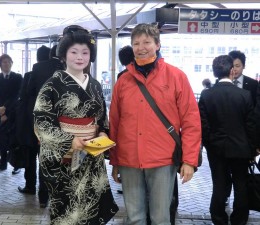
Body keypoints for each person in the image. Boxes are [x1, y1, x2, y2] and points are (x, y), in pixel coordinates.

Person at [109, 23, 201, 225]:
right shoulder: (123, 81)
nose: (141, 47)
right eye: (136, 43)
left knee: (161, 218)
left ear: (157, 45)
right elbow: (114, 122)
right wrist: (115, 161)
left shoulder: (176, 76)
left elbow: (191, 120)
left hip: (162, 159)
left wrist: (189, 160)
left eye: (147, 42)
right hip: (129, 159)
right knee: (134, 218)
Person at [33, 25, 118, 224]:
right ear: (63, 55)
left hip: (90, 156)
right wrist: (70, 141)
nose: (79, 57)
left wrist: (104, 133)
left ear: (91, 55)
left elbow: (101, 118)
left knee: (91, 206)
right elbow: (41, 123)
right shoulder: (51, 85)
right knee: (67, 210)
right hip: (64, 157)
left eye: (85, 52)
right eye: (74, 52)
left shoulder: (95, 85)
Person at [198, 55, 258, 225]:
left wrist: (210, 143)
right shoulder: (244, 95)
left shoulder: (207, 95)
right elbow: (251, 125)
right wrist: (253, 148)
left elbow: (203, 125)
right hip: (241, 148)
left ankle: (219, 219)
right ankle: (239, 220)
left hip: (216, 149)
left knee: (219, 185)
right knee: (241, 185)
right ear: (232, 71)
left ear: (215, 72)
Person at [17, 45, 53, 208]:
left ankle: (30, 186)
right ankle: (44, 196)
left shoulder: (30, 75)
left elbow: (22, 98)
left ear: (37, 59)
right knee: (44, 159)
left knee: (30, 156)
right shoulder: (58, 73)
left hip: (30, 123)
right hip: (48, 125)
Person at [224, 50, 259, 206]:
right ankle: (224, 198)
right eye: (232, 66)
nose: (235, 69)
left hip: (245, 141)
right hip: (224, 140)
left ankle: (240, 208)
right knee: (223, 177)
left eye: (238, 66)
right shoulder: (221, 83)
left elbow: (256, 116)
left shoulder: (253, 85)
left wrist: (255, 144)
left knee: (241, 179)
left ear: (243, 66)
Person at [0, 54, 23, 174]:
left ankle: (17, 163)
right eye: (4, 62)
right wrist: (1, 110)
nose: (7, 64)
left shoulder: (18, 77)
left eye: (9, 62)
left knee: (15, 137)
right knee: (2, 136)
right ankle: (2, 163)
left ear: (12, 63)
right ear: (0, 65)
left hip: (15, 112)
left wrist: (6, 107)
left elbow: (17, 95)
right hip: (0, 111)